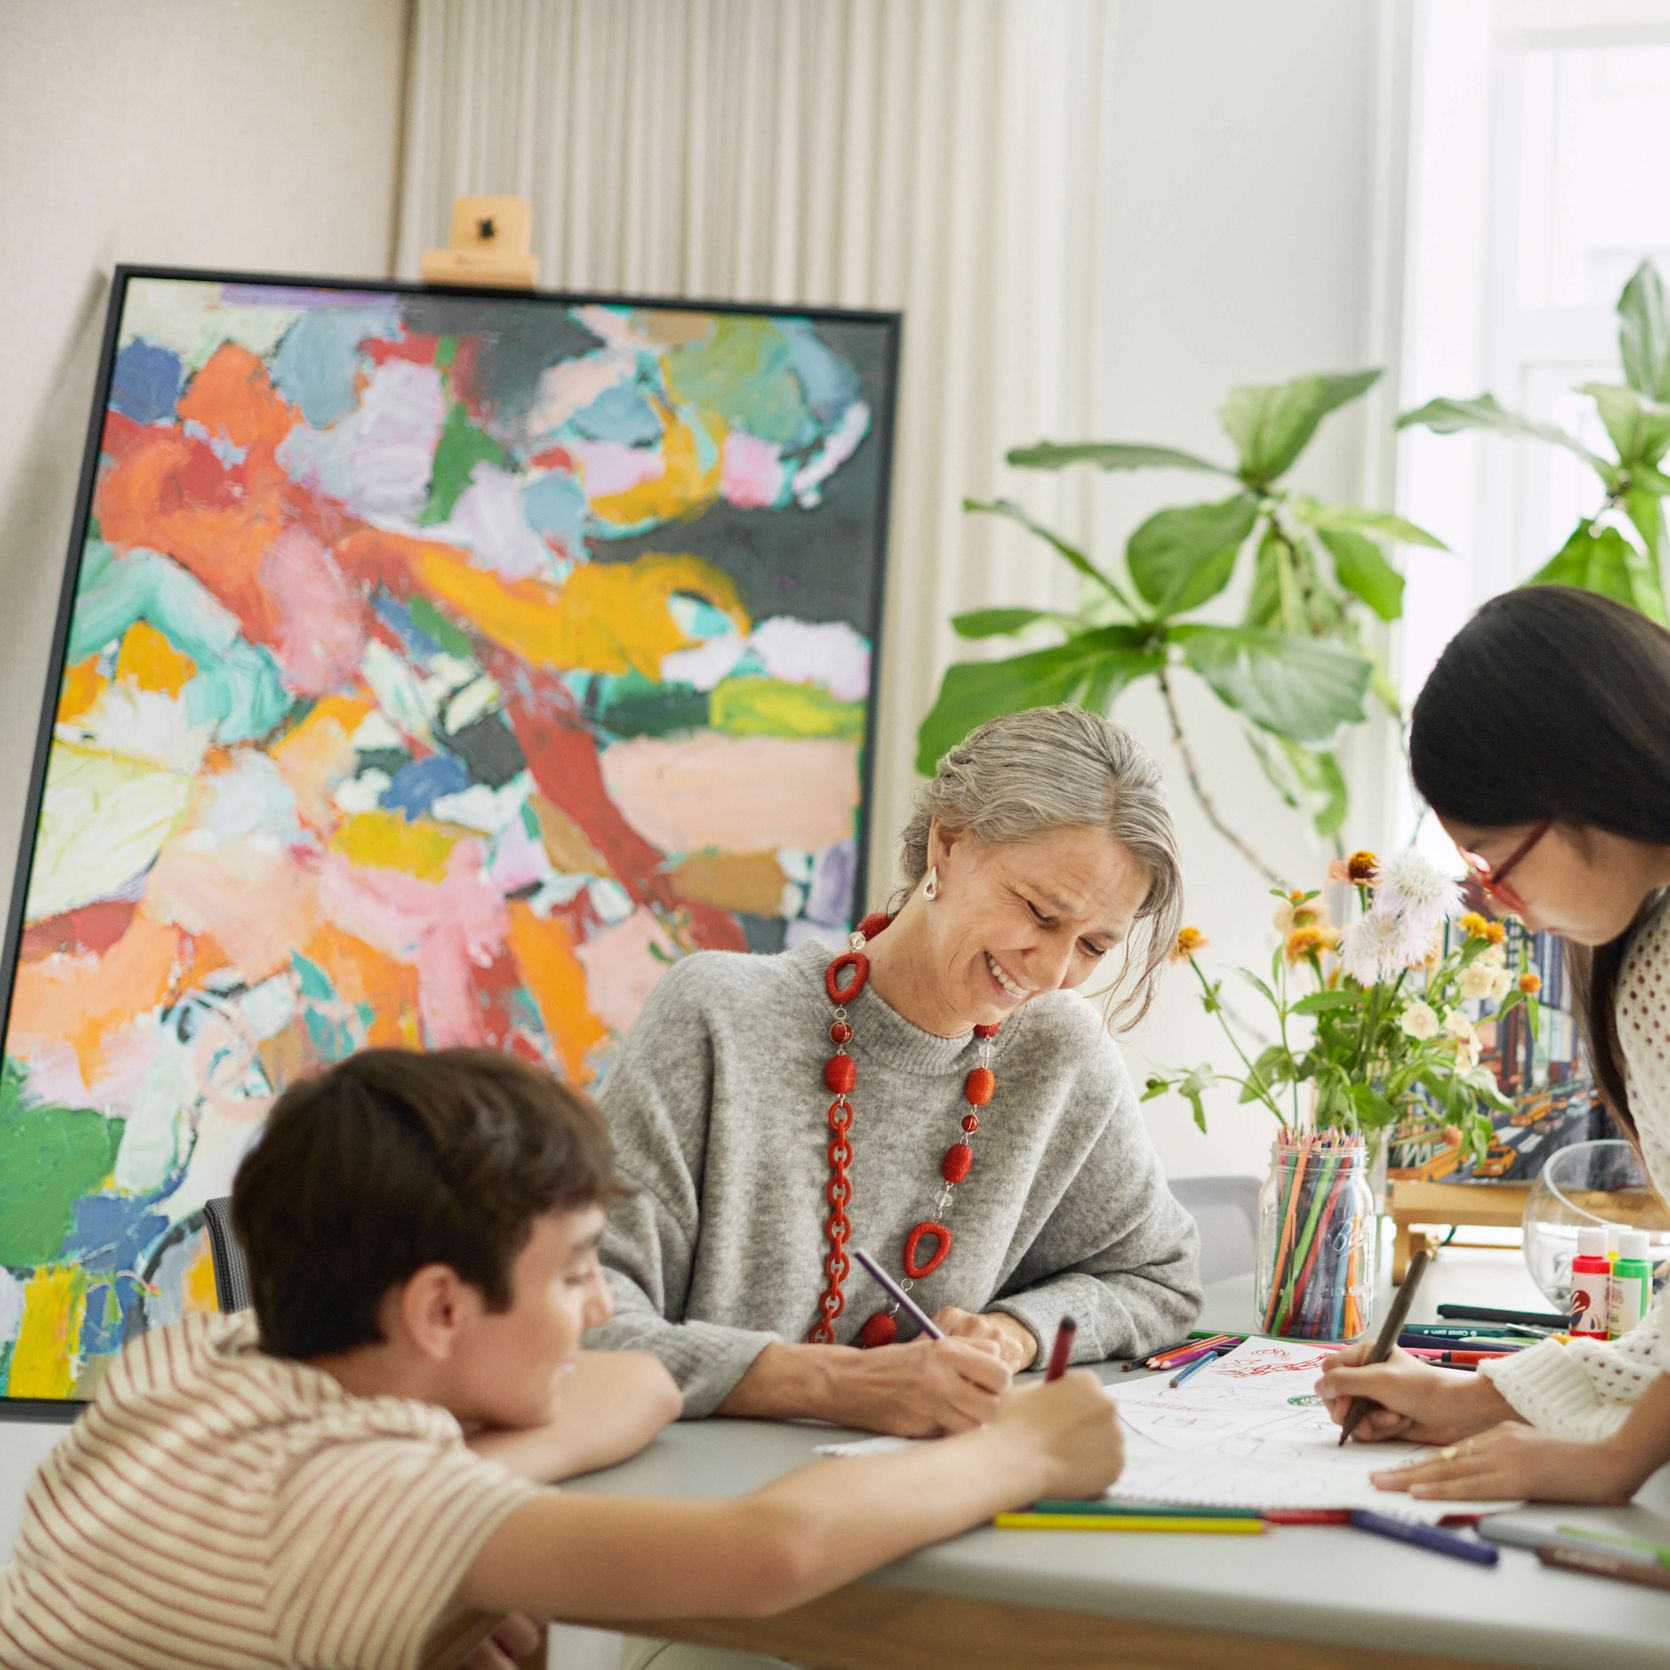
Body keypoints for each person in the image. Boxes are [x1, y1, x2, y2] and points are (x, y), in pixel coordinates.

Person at [0, 1047, 1125, 1670]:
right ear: (441, 1305)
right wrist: (1024, 1450)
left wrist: (471, 1507)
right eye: (575, 1270)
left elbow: (632, 1381)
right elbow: (767, 1552)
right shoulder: (357, 1501)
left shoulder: (207, 1358)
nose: (597, 1307)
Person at [590, 705, 1204, 1435]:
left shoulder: (1059, 1053)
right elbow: (577, 1316)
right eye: (1040, 913)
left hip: (917, 1502)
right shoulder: (716, 1017)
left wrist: (1014, 1332)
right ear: (949, 842)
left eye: (1095, 946)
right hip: (706, 1509)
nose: (1053, 970)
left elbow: (1158, 1277)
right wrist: (831, 1384)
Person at [1318, 585, 1670, 1504]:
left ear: (1588, 778)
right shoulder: (1643, 945)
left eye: (1493, 860)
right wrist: (1485, 1399)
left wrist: (1612, 1462)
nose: (1498, 903)